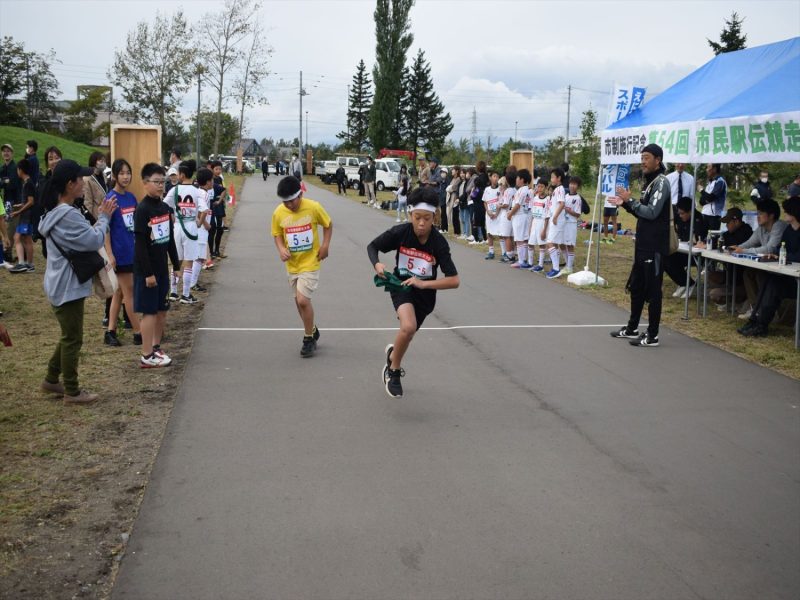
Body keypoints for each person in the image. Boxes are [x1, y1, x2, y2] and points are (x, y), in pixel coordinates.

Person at [38, 159, 118, 403]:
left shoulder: (57, 212)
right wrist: (104, 217)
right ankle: (72, 391)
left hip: (59, 283)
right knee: (73, 338)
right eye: (80, 179)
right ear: (70, 183)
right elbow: (94, 240)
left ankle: (51, 380)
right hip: (66, 287)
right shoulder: (67, 216)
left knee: (68, 335)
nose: (84, 183)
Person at [368, 186, 460, 398]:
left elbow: (454, 280)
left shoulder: (438, 243)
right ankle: (393, 371)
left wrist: (423, 284)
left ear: (434, 217)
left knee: (407, 335)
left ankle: (393, 354)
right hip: (401, 287)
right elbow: (372, 247)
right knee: (408, 327)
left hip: (425, 296)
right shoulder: (400, 233)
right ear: (410, 214)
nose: (421, 223)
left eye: (427, 219)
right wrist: (377, 265)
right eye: (417, 217)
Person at [608, 143, 671, 348]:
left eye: (646, 157)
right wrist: (624, 203)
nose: (642, 161)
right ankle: (632, 327)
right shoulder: (649, 182)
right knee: (636, 287)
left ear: (657, 160)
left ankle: (653, 335)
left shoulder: (662, 182)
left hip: (654, 245)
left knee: (653, 292)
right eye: (642, 157)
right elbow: (640, 211)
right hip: (642, 243)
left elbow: (652, 212)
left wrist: (631, 200)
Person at [271, 176, 332, 357]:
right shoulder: (279, 212)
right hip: (292, 264)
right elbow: (276, 234)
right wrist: (281, 249)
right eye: (285, 202)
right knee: (298, 301)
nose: (289, 205)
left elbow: (328, 225)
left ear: (300, 194)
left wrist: (325, 246)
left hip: (310, 262)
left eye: (292, 201)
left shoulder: (313, 207)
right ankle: (312, 329)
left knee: (303, 300)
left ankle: (308, 339)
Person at [134, 163, 181, 368]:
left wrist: (176, 264)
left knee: (162, 309)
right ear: (145, 183)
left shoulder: (164, 208)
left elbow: (169, 240)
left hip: (162, 268)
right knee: (149, 311)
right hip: (148, 271)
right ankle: (146, 355)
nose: (160, 186)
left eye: (163, 182)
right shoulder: (142, 210)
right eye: (156, 182)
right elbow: (141, 245)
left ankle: (155, 346)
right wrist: (148, 273)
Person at [738, 197, 800, 337]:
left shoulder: (783, 228)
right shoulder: (789, 230)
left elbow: (795, 255)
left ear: (795, 212)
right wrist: (778, 255)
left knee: (773, 285)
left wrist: (781, 256)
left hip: (796, 279)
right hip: (789, 275)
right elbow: (779, 249)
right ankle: (755, 320)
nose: (784, 214)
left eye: (787, 211)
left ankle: (761, 324)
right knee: (769, 280)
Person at [104, 158, 142, 347]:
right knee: (129, 293)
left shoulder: (131, 198)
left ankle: (110, 331)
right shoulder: (110, 198)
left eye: (128, 172)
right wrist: (110, 254)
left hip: (131, 250)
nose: (126, 176)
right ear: (115, 176)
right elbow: (106, 229)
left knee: (119, 293)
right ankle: (139, 333)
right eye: (122, 173)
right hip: (119, 252)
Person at [729, 199, 787, 319]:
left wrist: (743, 251)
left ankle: (768, 310)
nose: (758, 216)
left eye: (760, 213)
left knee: (761, 275)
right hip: (769, 265)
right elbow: (750, 242)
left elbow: (769, 249)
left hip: (782, 268)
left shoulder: (779, 226)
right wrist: (737, 247)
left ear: (771, 215)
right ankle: (756, 308)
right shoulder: (761, 228)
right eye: (757, 213)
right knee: (748, 273)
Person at [166, 160, 201, 304]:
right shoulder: (197, 191)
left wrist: (172, 215)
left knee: (176, 260)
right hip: (191, 225)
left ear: (181, 174)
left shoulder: (174, 190)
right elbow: (203, 208)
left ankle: (173, 292)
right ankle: (186, 294)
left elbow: (164, 205)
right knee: (189, 261)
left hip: (177, 227)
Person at [664, 196, 707, 299]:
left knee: (672, 259)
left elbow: (699, 240)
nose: (680, 215)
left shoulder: (698, 219)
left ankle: (689, 284)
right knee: (666, 258)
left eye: (682, 213)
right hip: (683, 250)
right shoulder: (678, 217)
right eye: (679, 213)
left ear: (690, 212)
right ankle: (684, 283)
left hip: (695, 255)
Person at [8, 158, 36, 273]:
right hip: (25, 215)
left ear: (20, 170)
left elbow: (31, 201)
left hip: (26, 216)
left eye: (17, 169)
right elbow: (27, 201)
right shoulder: (26, 183)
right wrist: (18, 205)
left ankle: (22, 264)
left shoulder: (28, 183)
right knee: (26, 239)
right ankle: (29, 265)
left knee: (18, 238)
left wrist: (18, 211)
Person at [191, 167, 213, 292]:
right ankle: (193, 283)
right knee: (199, 257)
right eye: (212, 180)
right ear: (208, 182)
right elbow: (201, 211)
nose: (213, 183)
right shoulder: (204, 194)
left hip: (198, 228)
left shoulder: (198, 191)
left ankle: (193, 282)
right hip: (201, 229)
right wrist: (204, 223)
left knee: (198, 256)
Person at [544, 167, 566, 278]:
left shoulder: (560, 189)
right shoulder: (556, 189)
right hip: (554, 219)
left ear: (559, 178)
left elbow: (562, 203)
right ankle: (555, 267)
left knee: (550, 243)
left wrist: (556, 216)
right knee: (554, 244)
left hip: (557, 220)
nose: (551, 179)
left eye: (553, 177)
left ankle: (556, 269)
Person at [508, 169, 532, 268]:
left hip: (520, 216)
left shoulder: (522, 190)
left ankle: (521, 260)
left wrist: (510, 214)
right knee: (524, 238)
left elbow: (517, 205)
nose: (516, 180)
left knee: (519, 239)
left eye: (518, 178)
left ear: (522, 179)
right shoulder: (528, 190)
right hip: (525, 215)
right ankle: (524, 259)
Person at [560, 176, 583, 276]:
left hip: (571, 224)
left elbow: (578, 214)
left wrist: (569, 211)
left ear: (578, 186)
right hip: (563, 223)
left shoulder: (577, 198)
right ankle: (567, 263)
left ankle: (569, 267)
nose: (572, 186)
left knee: (570, 245)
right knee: (561, 243)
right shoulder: (565, 196)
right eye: (571, 183)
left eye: (575, 184)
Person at [528, 179, 549, 272]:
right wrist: (530, 227)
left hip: (542, 223)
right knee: (530, 244)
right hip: (535, 223)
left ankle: (540, 265)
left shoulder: (548, 199)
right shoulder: (535, 198)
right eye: (538, 186)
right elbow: (532, 214)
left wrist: (544, 230)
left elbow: (547, 216)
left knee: (541, 245)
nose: (539, 188)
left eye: (542, 186)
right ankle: (530, 263)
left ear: (546, 187)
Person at [698, 163, 726, 232]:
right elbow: (701, 201)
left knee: (713, 239)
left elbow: (710, 198)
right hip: (705, 213)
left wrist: (701, 190)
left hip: (714, 216)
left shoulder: (720, 181)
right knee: (702, 238)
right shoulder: (709, 183)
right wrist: (707, 198)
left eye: (708, 167)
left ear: (714, 169)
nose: (706, 170)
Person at [82, 151, 109, 220]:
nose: (103, 163)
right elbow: (88, 202)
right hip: (96, 217)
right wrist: (90, 220)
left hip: (106, 215)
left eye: (104, 161)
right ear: (94, 162)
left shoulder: (104, 176)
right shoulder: (87, 179)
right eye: (101, 161)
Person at [498, 166, 517, 262]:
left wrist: (499, 206)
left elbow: (505, 204)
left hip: (506, 214)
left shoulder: (507, 191)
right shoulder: (515, 190)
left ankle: (509, 255)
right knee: (511, 235)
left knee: (506, 236)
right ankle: (512, 253)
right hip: (513, 214)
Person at [483, 170, 501, 259]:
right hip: (489, 214)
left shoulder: (501, 190)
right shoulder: (487, 189)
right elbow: (485, 202)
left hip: (498, 215)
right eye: (494, 176)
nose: (495, 178)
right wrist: (488, 211)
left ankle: (504, 253)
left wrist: (497, 213)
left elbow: (502, 202)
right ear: (490, 178)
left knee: (501, 233)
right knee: (489, 233)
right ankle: (491, 251)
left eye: (497, 176)